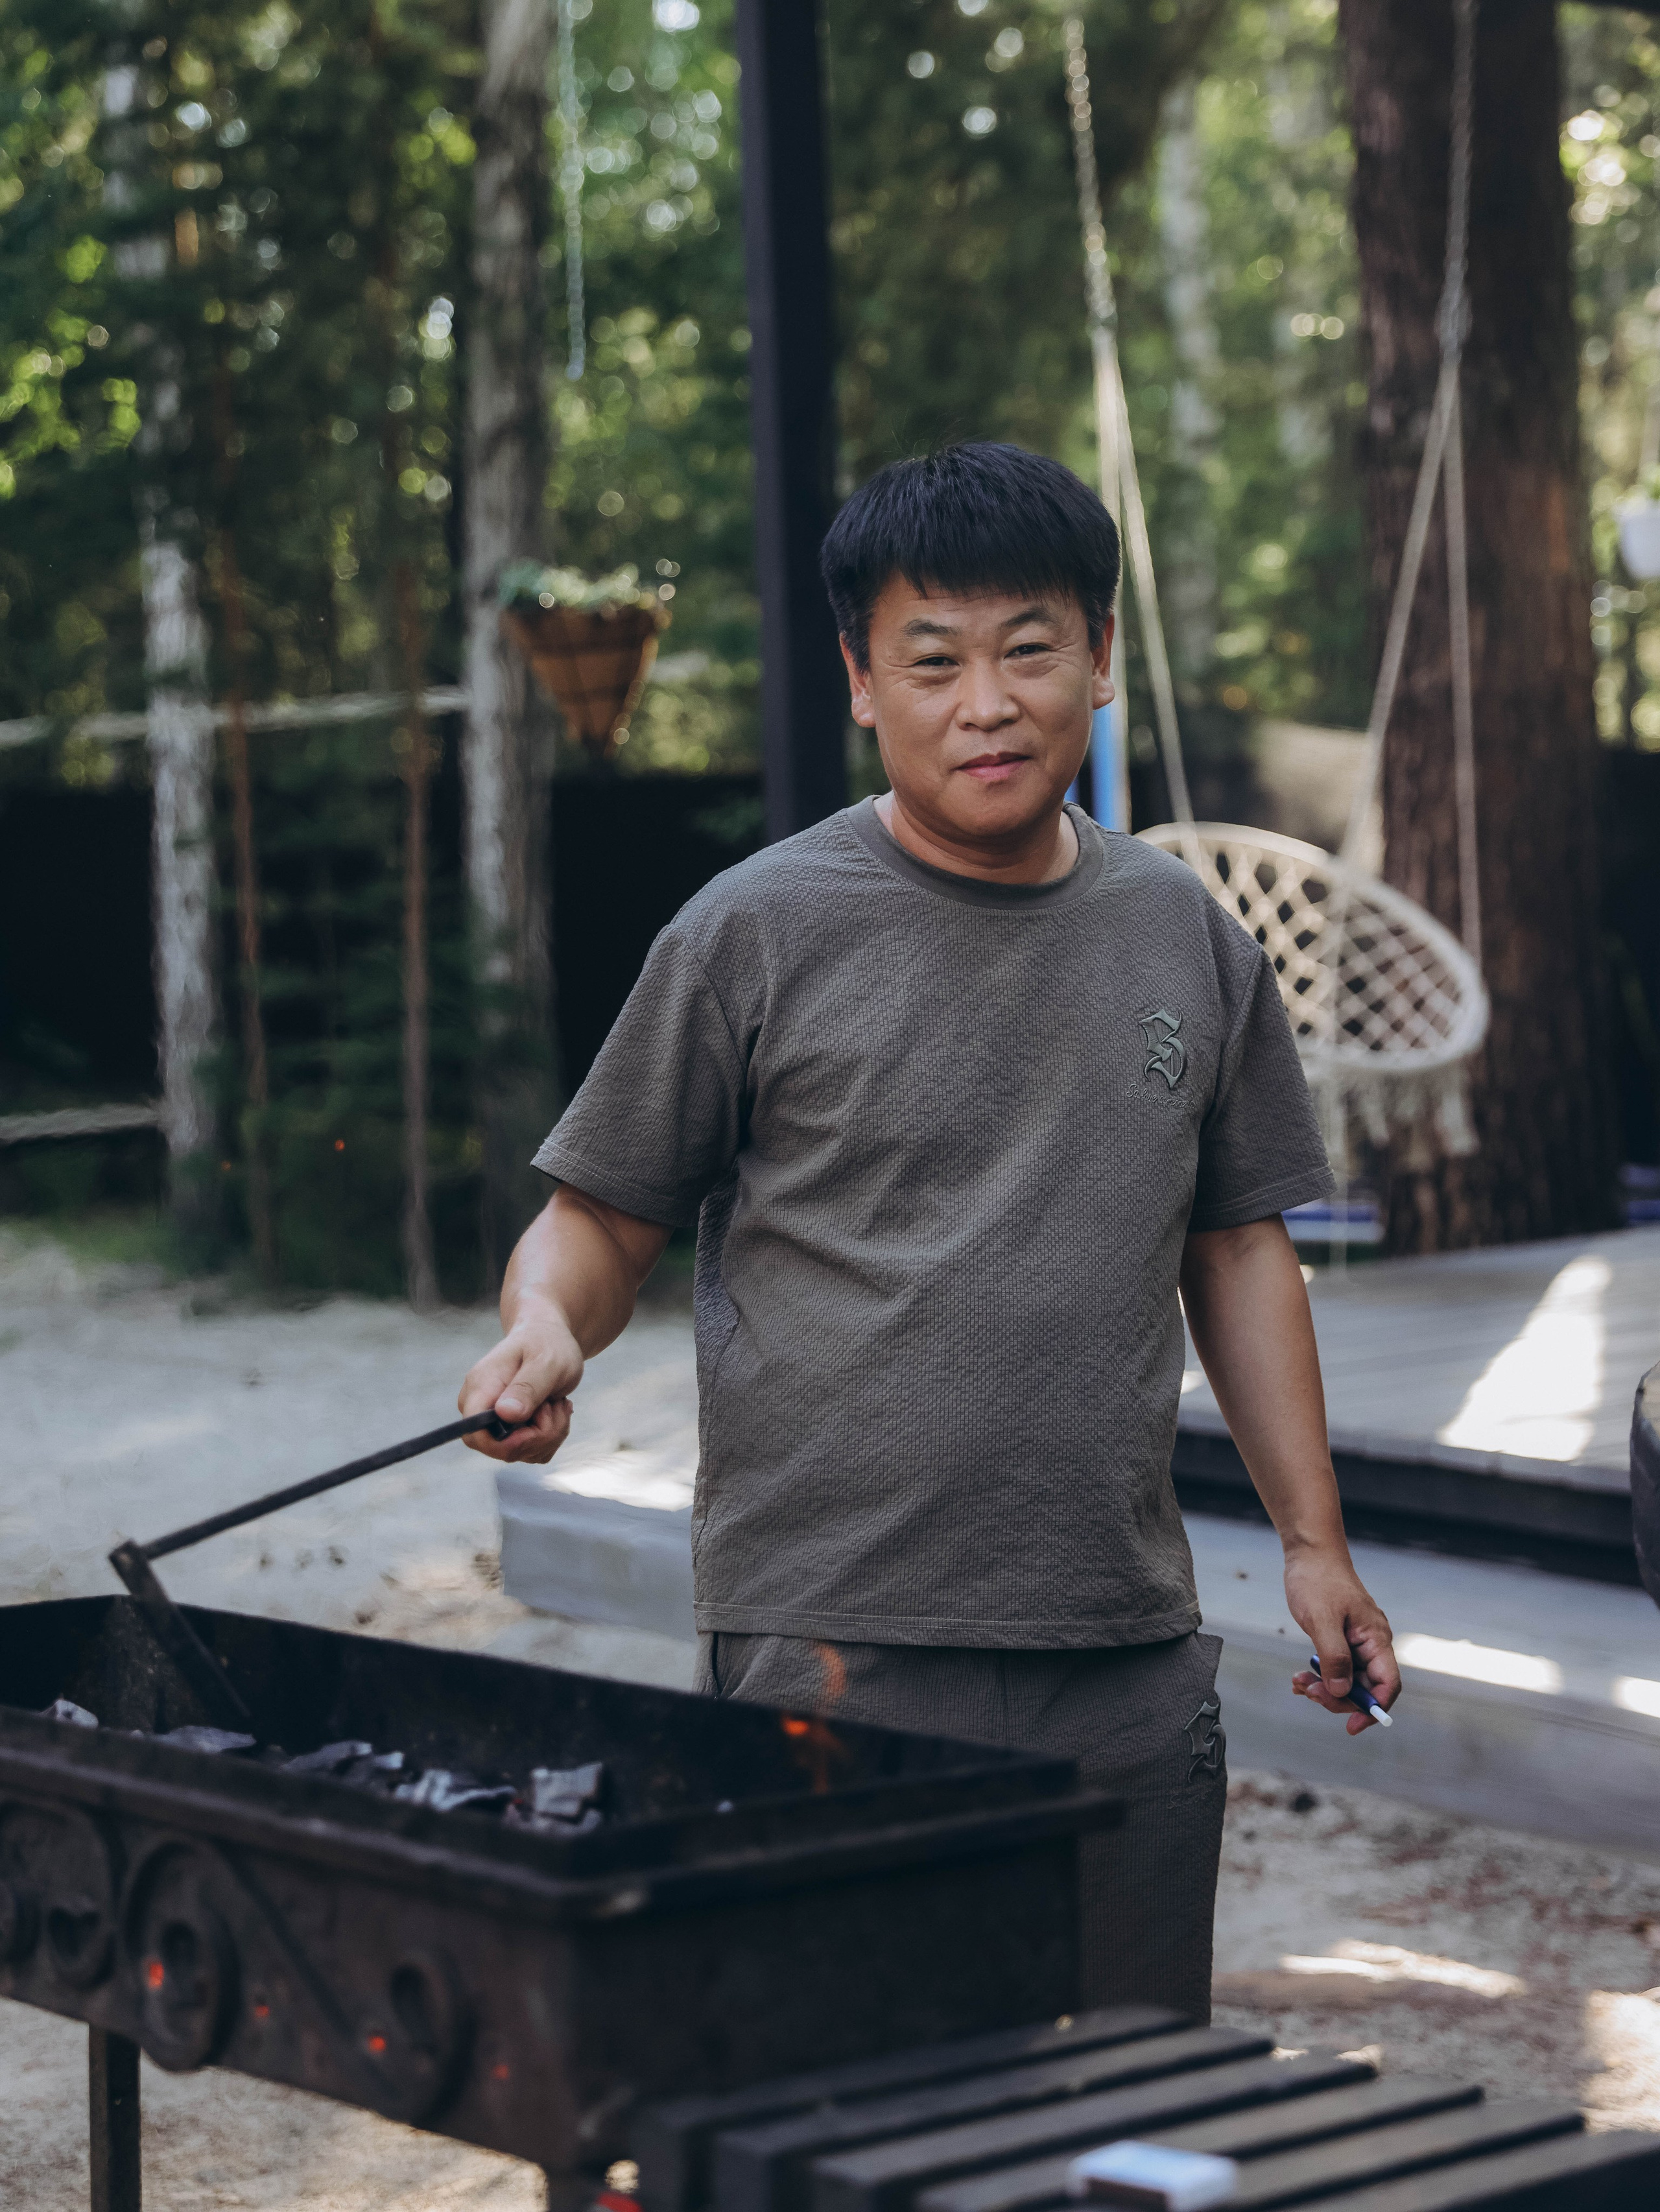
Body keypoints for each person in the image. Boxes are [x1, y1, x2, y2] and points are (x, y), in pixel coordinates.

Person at [460, 441, 1399, 2021]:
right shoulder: (754, 930)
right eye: (934, 658)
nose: (987, 701)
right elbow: (601, 1216)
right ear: (858, 680)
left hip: (1117, 1631)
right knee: (847, 2092)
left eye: (1029, 648)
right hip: (836, 1639)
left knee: (1122, 2093)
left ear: (1098, 661)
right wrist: (547, 1321)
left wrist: (1312, 1540)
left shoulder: (1183, 933)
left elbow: (1236, 1247)